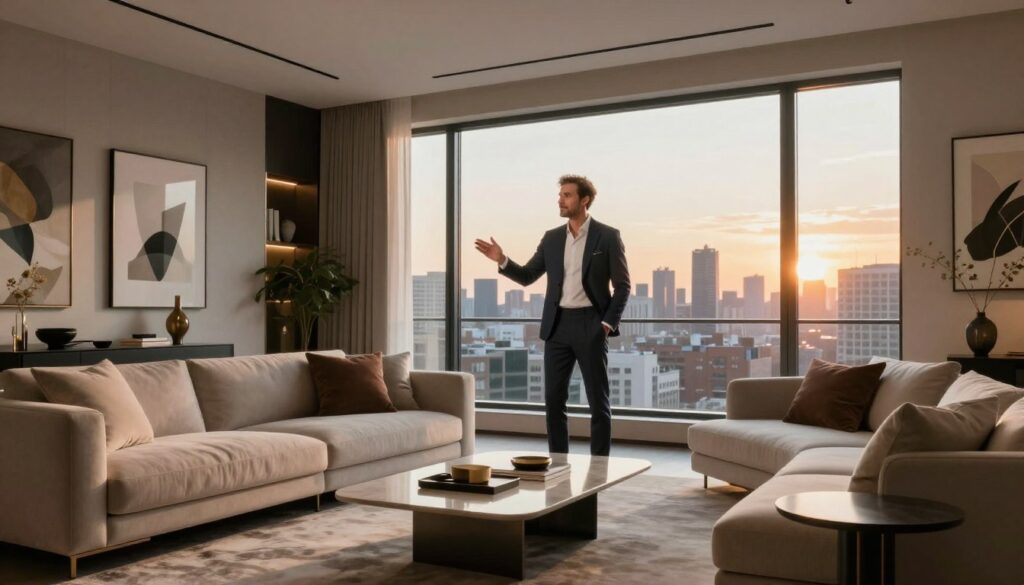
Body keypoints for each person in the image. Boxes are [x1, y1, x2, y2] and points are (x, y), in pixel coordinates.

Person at [474, 175, 630, 456]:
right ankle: (558, 464)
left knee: (598, 403)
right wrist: (502, 260)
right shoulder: (552, 238)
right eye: (560, 195)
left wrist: (606, 324)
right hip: (557, 327)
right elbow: (527, 276)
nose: (561, 199)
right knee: (553, 400)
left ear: (584, 200)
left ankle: (600, 467)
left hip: (591, 325)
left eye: (567, 195)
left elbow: (623, 286)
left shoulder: (607, 236)